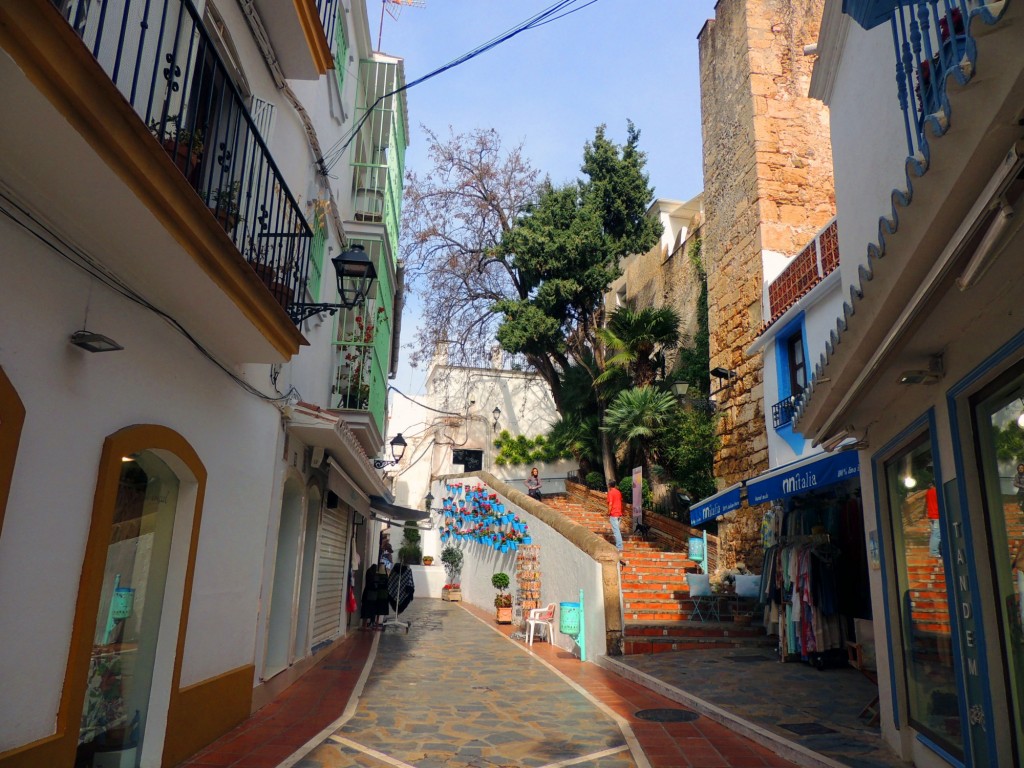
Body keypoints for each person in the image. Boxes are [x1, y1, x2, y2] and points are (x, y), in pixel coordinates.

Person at [607, 479, 624, 558]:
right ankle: (619, 545)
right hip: (619, 514)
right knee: (617, 530)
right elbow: (620, 502)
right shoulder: (618, 492)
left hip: (613, 514)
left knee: (616, 531)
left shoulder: (610, 493)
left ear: (609, 485)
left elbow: (610, 503)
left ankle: (619, 547)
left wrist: (608, 512)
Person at [925, 482, 940, 557]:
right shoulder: (936, 491)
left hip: (932, 516)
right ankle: (934, 553)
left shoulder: (928, 492)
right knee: (937, 535)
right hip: (936, 516)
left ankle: (934, 552)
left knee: (934, 534)